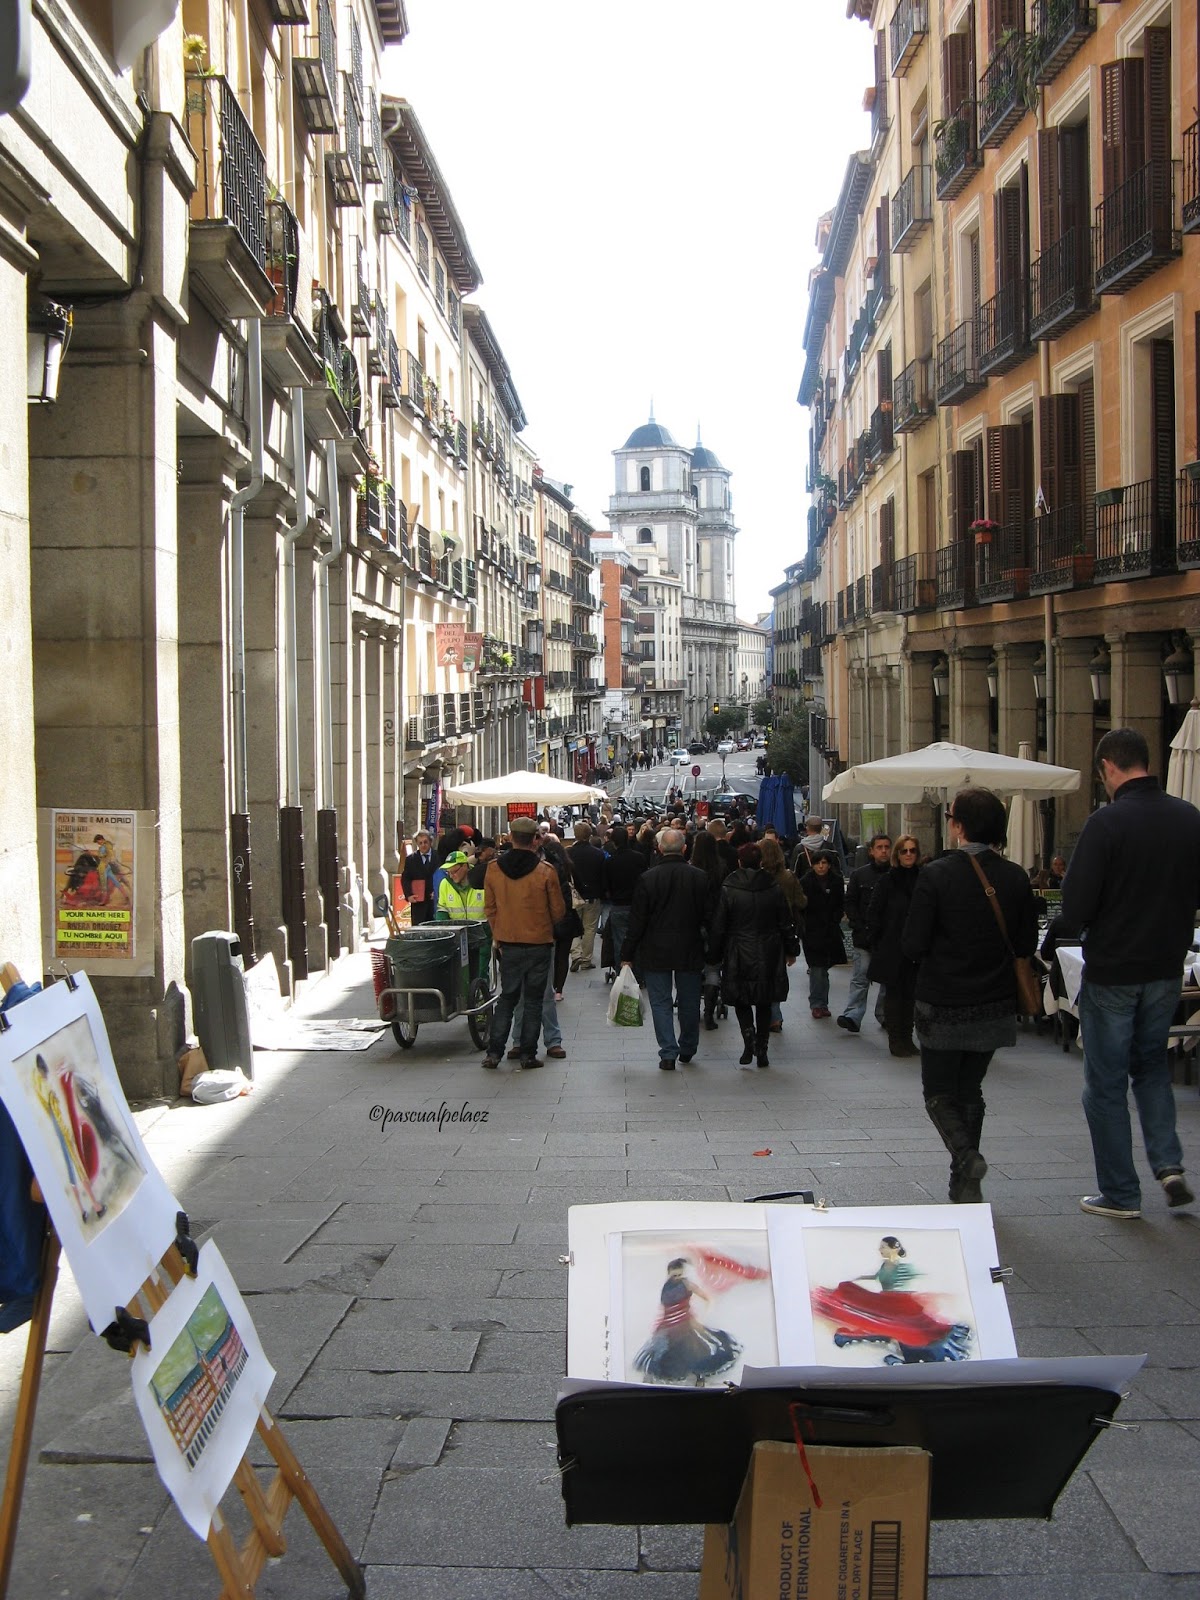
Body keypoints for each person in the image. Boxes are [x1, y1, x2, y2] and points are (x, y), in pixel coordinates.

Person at [1062, 728, 1200, 1218]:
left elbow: (1075, 904)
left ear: (1108, 768)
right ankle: (1168, 1165)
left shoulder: (1107, 824)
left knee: (1104, 1083)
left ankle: (1120, 1192)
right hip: (1166, 968)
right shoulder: (1189, 819)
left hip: (1114, 968)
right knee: (1151, 1069)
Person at [902, 787, 1037, 1203]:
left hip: (943, 1001)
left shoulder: (937, 874)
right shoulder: (1015, 877)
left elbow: (913, 943)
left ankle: (966, 1155)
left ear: (959, 826)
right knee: (970, 1089)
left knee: (939, 1093)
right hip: (994, 1002)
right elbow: (1026, 943)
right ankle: (964, 1184)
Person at [621, 828, 713, 1071]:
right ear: (685, 849)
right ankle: (688, 1046)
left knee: (660, 1001)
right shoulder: (700, 877)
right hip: (689, 946)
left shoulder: (648, 878)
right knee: (689, 999)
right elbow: (709, 916)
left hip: (656, 948)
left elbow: (637, 920)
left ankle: (668, 1051)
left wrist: (627, 953)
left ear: (659, 849)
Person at [480, 817, 566, 1070]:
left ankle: (494, 1052)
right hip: (539, 942)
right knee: (533, 999)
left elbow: (490, 907)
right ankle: (528, 1053)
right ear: (534, 839)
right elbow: (558, 910)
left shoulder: (494, 869)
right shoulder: (545, 871)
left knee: (507, 997)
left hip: (509, 942)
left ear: (510, 837)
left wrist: (500, 932)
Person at [709, 843, 799, 1068]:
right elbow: (785, 922)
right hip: (769, 948)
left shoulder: (729, 888)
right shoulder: (773, 887)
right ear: (760, 862)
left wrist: (714, 953)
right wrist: (791, 949)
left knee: (742, 997)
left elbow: (719, 925)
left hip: (738, 948)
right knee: (764, 999)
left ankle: (749, 1039)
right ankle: (762, 1045)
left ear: (739, 862)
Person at [867, 835, 922, 1057]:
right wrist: (877, 942)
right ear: (897, 855)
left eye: (912, 851)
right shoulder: (887, 881)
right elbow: (874, 913)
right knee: (894, 994)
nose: (908, 855)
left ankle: (908, 1038)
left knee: (911, 995)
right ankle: (895, 1039)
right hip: (892, 946)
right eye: (904, 851)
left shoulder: (924, 879)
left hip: (916, 946)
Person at [839, 833, 891, 1035]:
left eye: (887, 847)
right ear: (871, 851)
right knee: (860, 977)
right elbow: (850, 901)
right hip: (864, 935)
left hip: (888, 937)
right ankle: (853, 1014)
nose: (884, 851)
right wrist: (857, 925)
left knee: (887, 979)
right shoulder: (860, 875)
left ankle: (885, 1014)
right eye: (880, 847)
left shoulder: (895, 875)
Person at [758, 837, 806, 1033]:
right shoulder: (788, 877)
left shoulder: (756, 877)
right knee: (777, 973)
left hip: (759, 929)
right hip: (782, 930)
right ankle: (775, 1015)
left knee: (761, 973)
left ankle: (767, 1013)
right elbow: (801, 902)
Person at [797, 849, 845, 1018]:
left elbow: (840, 903)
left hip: (830, 931)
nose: (821, 866)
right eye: (818, 863)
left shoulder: (836, 882)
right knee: (817, 969)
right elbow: (800, 906)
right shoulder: (805, 882)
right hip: (812, 931)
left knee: (823, 969)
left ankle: (822, 1003)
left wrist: (836, 918)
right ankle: (817, 1003)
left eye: (824, 863)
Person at [566, 820, 605, 971]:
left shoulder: (568, 853)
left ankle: (576, 954)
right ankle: (586, 959)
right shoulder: (598, 854)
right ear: (589, 835)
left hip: (573, 896)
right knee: (589, 928)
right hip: (592, 896)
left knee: (574, 927)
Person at [400, 830, 437, 925]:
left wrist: (438, 891)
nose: (423, 845)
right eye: (420, 843)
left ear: (430, 842)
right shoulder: (410, 859)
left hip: (436, 903)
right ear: (417, 844)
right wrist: (408, 895)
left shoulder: (438, 857)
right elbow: (405, 879)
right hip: (418, 905)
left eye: (425, 842)